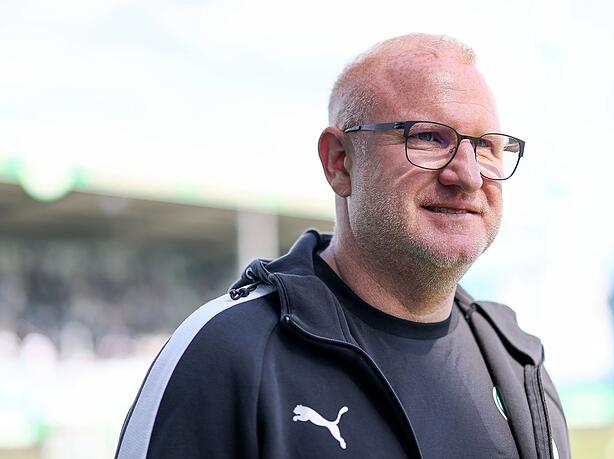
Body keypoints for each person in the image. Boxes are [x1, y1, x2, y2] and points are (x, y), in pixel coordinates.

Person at [116, 33, 570, 459]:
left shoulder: (518, 363)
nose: (468, 175)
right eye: (429, 138)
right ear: (340, 162)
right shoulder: (226, 355)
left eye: (487, 146)